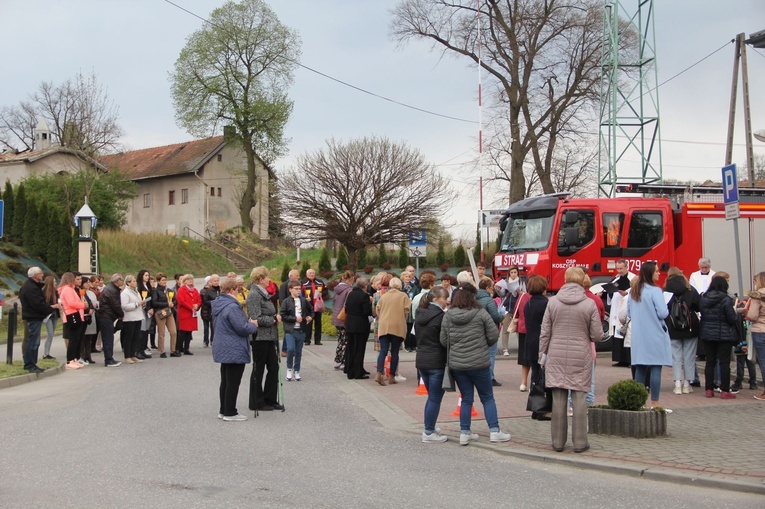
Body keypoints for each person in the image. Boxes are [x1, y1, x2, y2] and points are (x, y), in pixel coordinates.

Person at [440, 283, 511, 445]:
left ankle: (465, 432)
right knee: (487, 397)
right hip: (480, 362)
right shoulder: (481, 313)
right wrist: (482, 343)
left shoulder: (448, 316)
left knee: (466, 398)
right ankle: (494, 431)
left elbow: (443, 340)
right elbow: (493, 335)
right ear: (473, 297)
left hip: (458, 365)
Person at [539, 267, 601, 452]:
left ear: (565, 279)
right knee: (580, 397)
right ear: (582, 281)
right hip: (580, 355)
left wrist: (542, 357)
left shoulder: (552, 302)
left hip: (556, 354)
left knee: (558, 397)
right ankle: (580, 443)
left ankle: (558, 442)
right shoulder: (589, 304)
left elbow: (545, 333)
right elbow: (597, 335)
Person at [622, 262, 673, 410]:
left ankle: (640, 402)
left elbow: (630, 313)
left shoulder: (634, 291)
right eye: (656, 271)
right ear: (650, 273)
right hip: (655, 333)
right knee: (656, 368)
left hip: (639, 335)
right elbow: (663, 313)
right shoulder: (655, 291)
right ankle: (655, 403)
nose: (659, 273)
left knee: (640, 368)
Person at [212, 277, 259, 422]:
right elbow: (242, 328)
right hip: (233, 347)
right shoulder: (232, 306)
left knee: (225, 380)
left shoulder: (219, 303)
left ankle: (223, 409)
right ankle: (230, 412)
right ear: (232, 290)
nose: (239, 292)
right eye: (238, 290)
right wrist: (253, 325)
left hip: (223, 345)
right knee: (233, 381)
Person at [415, 286, 450, 443]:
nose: (446, 301)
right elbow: (444, 340)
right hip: (436, 360)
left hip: (421, 359)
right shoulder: (441, 317)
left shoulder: (420, 313)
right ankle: (428, 432)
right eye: (444, 298)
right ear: (436, 299)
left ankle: (430, 427)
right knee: (435, 398)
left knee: (431, 397)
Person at [247, 266, 283, 411]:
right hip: (259, 337)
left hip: (269, 336)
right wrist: (273, 319)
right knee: (259, 368)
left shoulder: (263, 293)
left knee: (274, 367)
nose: (269, 279)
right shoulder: (254, 295)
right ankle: (257, 401)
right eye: (267, 277)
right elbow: (256, 318)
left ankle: (270, 398)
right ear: (261, 279)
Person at [699, 275, 739, 399]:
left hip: (707, 334)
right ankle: (725, 390)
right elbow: (732, 318)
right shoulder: (726, 299)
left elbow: (702, 314)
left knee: (710, 362)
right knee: (724, 363)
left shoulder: (704, 298)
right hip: (724, 335)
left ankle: (709, 389)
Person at [663, 267, 701, 395]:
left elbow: (663, 309)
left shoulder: (666, 291)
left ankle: (677, 384)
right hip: (690, 326)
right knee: (689, 356)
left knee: (676, 357)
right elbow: (698, 306)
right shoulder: (690, 289)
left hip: (673, 327)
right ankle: (687, 384)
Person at [374, 277, 411, 386]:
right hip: (397, 326)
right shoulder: (404, 296)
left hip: (384, 325)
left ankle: (379, 372)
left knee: (383, 351)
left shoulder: (384, 296)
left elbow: (378, 310)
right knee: (395, 352)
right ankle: (391, 376)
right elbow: (407, 310)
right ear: (400, 286)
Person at [523, 275, 549, 420]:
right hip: (542, 343)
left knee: (535, 375)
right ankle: (542, 409)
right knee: (543, 377)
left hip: (530, 342)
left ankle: (534, 407)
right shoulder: (546, 303)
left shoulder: (528, 303)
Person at [280, 280, 314, 381]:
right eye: (296, 289)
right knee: (290, 349)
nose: (298, 291)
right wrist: (295, 319)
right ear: (290, 289)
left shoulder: (303, 300)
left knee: (298, 351)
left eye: (299, 289)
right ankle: (289, 368)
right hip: (290, 330)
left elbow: (311, 310)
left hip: (301, 330)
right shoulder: (286, 301)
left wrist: (309, 317)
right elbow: (283, 315)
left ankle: (297, 370)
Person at [344, 277, 373, 380]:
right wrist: (370, 303)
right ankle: (358, 373)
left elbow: (346, 307)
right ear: (365, 286)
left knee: (351, 348)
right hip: (360, 326)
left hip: (350, 324)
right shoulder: (364, 296)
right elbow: (366, 312)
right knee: (359, 349)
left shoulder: (350, 294)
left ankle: (350, 372)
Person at [477, 276, 503, 387]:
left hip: (477, 331)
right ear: (488, 288)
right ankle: (490, 377)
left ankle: (479, 376)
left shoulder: (474, 298)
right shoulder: (489, 300)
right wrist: (502, 316)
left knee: (480, 355)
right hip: (489, 331)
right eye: (492, 287)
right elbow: (494, 316)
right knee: (491, 355)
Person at [58, 272, 87, 370]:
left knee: (77, 339)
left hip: (75, 314)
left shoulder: (70, 289)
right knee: (73, 340)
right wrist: (83, 305)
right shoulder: (67, 289)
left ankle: (74, 359)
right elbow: (71, 303)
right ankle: (70, 360)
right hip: (72, 315)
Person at [95, 274, 124, 367]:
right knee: (108, 338)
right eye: (121, 280)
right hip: (106, 316)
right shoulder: (112, 290)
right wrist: (121, 314)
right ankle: (108, 359)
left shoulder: (110, 288)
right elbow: (115, 305)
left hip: (106, 315)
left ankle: (110, 358)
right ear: (117, 281)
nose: (122, 282)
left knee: (108, 338)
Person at [747, 272, 765, 400]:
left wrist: (744, 313)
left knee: (763, 362)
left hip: (760, 330)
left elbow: (752, 315)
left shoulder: (757, 296)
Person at [120, 275, 147, 364]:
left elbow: (138, 301)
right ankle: (127, 356)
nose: (135, 283)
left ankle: (133, 354)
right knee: (129, 337)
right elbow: (124, 306)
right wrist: (136, 304)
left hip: (138, 316)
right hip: (129, 318)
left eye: (135, 281)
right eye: (133, 281)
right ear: (128, 283)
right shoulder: (125, 293)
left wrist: (142, 303)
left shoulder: (136, 291)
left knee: (136, 337)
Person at [331, 270, 355, 370]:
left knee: (340, 339)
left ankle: (338, 360)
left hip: (337, 317)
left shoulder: (337, 289)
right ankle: (344, 361)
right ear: (351, 279)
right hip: (344, 318)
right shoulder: (349, 290)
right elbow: (347, 304)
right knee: (346, 340)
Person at [152, 273, 177, 358]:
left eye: (165, 280)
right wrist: (166, 304)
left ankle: (173, 350)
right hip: (160, 312)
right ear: (158, 281)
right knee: (161, 332)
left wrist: (173, 303)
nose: (164, 281)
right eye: (162, 280)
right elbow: (154, 303)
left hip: (169, 312)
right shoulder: (156, 291)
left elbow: (175, 300)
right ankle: (162, 351)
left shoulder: (169, 290)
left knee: (173, 331)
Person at [176, 274, 202, 355]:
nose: (190, 281)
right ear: (184, 281)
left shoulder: (194, 290)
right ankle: (178, 349)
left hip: (192, 314)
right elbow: (182, 301)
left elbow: (199, 300)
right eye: (188, 279)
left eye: (191, 279)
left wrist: (197, 305)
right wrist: (191, 307)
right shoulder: (181, 290)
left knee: (189, 332)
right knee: (182, 332)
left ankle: (186, 348)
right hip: (185, 313)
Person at [301, 269, 327, 345]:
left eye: (313, 273)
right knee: (308, 323)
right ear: (307, 274)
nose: (312, 274)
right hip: (308, 306)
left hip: (318, 305)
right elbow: (300, 293)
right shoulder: (303, 282)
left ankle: (317, 340)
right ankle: (307, 340)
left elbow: (326, 290)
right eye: (310, 273)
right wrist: (304, 298)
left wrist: (322, 294)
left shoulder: (320, 281)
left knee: (318, 323)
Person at [41, 275, 59, 360]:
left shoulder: (55, 291)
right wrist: (54, 306)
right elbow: (44, 305)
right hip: (48, 315)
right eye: (54, 281)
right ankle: (46, 353)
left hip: (54, 314)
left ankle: (47, 352)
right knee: (50, 334)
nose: (55, 283)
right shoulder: (44, 291)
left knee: (51, 334)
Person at [81, 277, 98, 364]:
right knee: (83, 338)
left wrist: (95, 306)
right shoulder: (81, 292)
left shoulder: (91, 293)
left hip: (92, 315)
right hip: (85, 316)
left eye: (88, 282)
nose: (88, 284)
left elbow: (95, 302)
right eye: (86, 282)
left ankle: (88, 355)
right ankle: (82, 355)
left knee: (89, 338)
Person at [200, 274, 221, 347]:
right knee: (212, 327)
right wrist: (213, 302)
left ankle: (217, 340)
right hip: (211, 311)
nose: (216, 282)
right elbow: (205, 301)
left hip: (220, 311)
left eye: (217, 281)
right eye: (214, 281)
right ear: (211, 282)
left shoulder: (221, 289)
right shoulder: (208, 291)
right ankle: (211, 341)